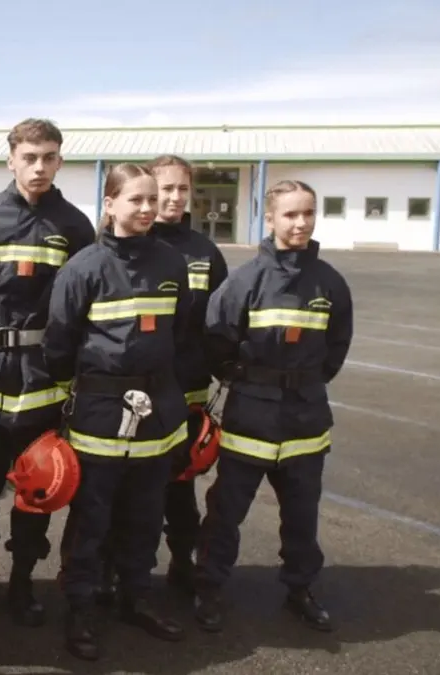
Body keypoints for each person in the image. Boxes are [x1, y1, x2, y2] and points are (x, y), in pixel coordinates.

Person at [0, 118, 95, 626]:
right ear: (10, 159)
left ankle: (22, 578)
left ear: (59, 161)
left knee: (37, 490)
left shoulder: (75, 227)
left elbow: (82, 306)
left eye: (49, 157)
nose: (39, 167)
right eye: (29, 157)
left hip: (43, 381)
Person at [44, 163, 191, 661]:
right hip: (100, 414)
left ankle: (136, 598)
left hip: (159, 415)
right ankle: (81, 609)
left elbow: (184, 334)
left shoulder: (173, 264)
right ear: (109, 205)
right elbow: (59, 344)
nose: (148, 208)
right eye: (136, 200)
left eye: (153, 199)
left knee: (146, 516)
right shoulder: (83, 268)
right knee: (92, 521)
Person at [193, 179, 352, 634]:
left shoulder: (330, 283)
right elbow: (216, 339)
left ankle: (300, 588)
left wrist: (305, 384)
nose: (300, 223)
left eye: (308, 213)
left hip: (306, 419)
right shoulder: (246, 281)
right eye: (290, 214)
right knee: (226, 513)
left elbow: (337, 346)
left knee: (302, 516)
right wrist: (247, 380)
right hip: (251, 419)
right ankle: (209, 587)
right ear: (270, 219)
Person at [93, 155, 229, 604]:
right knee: (122, 488)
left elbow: (214, 321)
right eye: (162, 190)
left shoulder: (204, 252)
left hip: (185, 392)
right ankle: (112, 570)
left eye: (180, 190)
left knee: (179, 488)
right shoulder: (113, 247)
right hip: (133, 392)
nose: (171, 199)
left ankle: (180, 563)